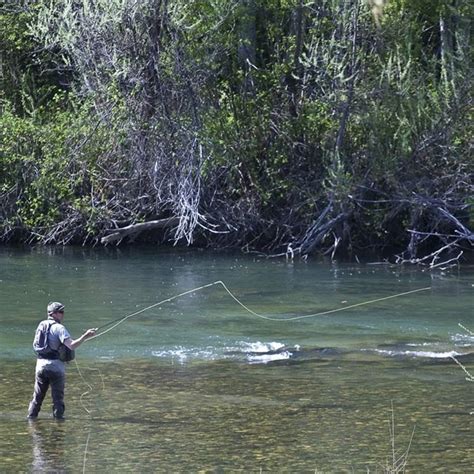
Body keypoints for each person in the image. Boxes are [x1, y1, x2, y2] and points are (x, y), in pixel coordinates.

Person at [27, 302, 97, 420]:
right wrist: (85, 336)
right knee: (58, 399)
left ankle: (31, 420)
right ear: (54, 314)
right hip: (56, 367)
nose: (63, 314)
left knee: (37, 397)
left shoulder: (41, 325)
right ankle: (59, 425)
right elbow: (72, 345)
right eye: (61, 312)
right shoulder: (59, 328)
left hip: (40, 365)